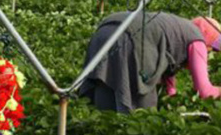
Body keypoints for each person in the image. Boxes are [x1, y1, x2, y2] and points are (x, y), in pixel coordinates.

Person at [79, 11, 221, 113]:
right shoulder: (198, 40)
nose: (210, 54)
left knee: (105, 95)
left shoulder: (178, 28)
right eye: (212, 50)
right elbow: (204, 91)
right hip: (130, 38)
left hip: (106, 30)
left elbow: (169, 76)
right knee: (142, 111)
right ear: (210, 39)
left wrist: (172, 97)